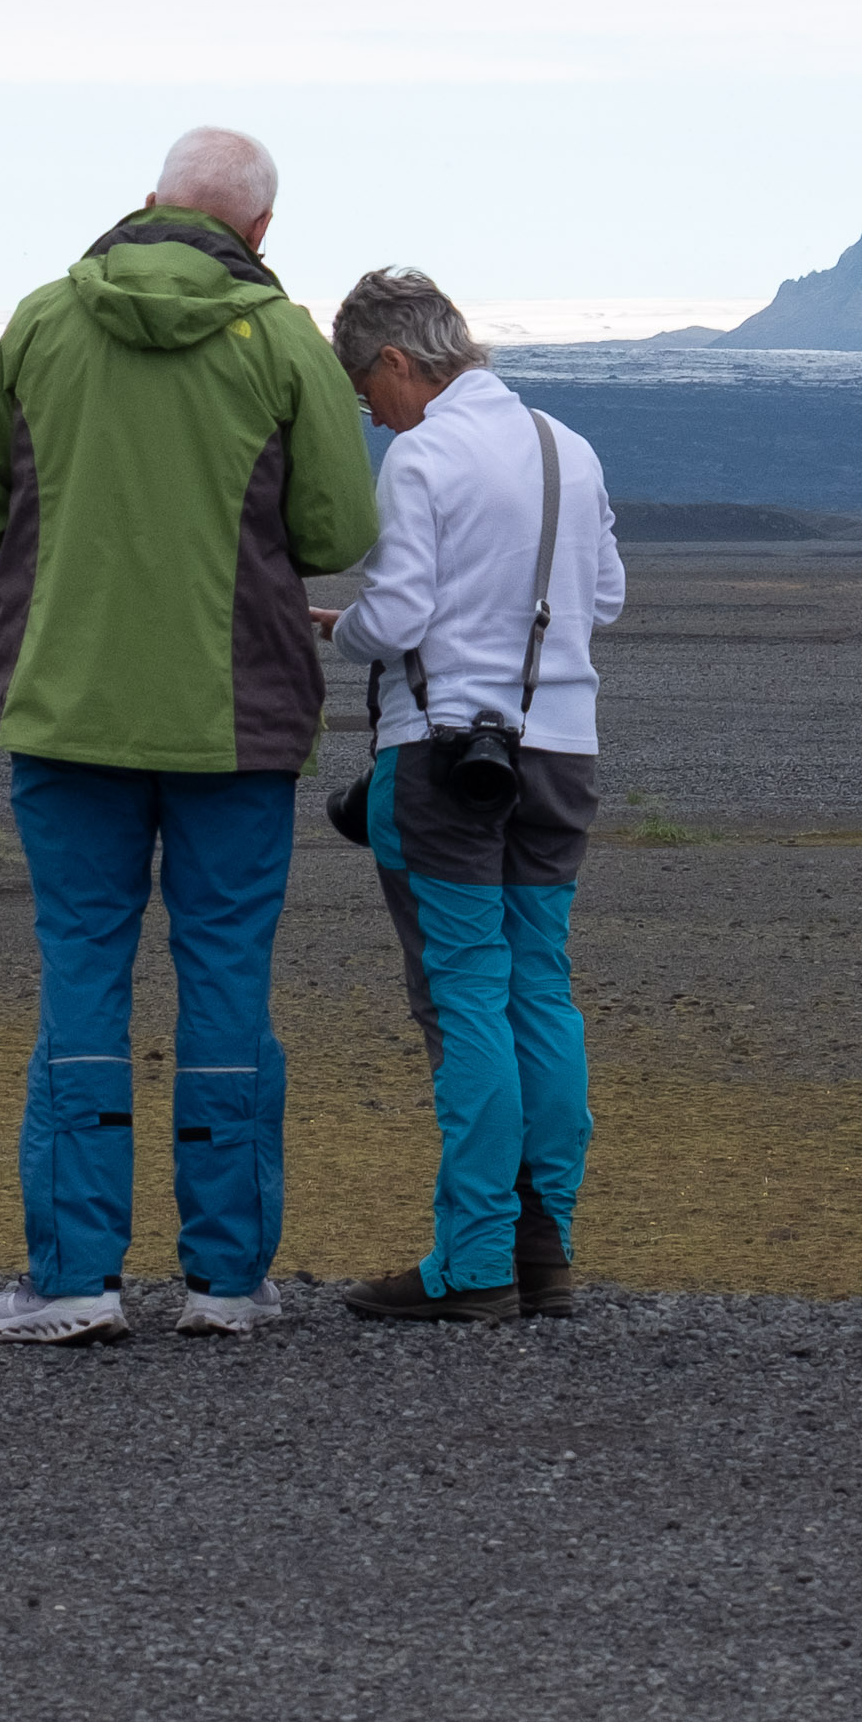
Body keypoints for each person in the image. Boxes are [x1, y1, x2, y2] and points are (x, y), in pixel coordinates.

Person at [0, 126, 379, 1345]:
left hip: (67, 711)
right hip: (234, 724)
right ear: (260, 230)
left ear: (147, 203)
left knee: (82, 975)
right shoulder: (284, 339)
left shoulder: (43, 320)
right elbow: (337, 528)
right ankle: (226, 1282)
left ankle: (73, 1278)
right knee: (227, 979)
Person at [315, 267, 627, 1323]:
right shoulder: (567, 447)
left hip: (442, 758)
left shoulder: (422, 455)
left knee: (464, 995)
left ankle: (474, 1261)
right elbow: (606, 596)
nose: (370, 412)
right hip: (562, 753)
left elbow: (398, 615)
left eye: (366, 389)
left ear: (398, 361)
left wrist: (343, 632)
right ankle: (545, 1249)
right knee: (539, 987)